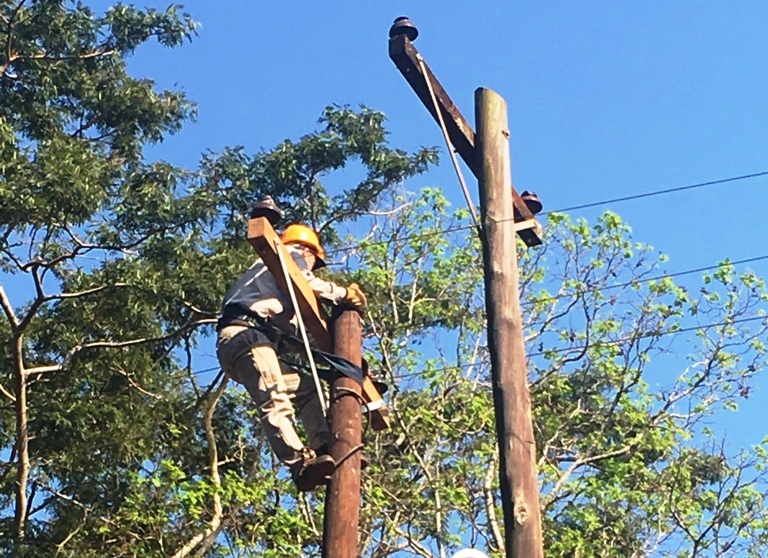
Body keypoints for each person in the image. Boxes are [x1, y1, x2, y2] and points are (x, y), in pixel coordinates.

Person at [216, 223, 367, 491]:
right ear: (308, 250)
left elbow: (295, 337)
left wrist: (343, 360)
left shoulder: (271, 287)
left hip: (249, 342)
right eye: (314, 259)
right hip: (247, 335)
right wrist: (344, 294)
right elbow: (303, 278)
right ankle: (299, 463)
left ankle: (324, 445)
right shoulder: (287, 253)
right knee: (274, 397)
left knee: (305, 387)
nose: (311, 264)